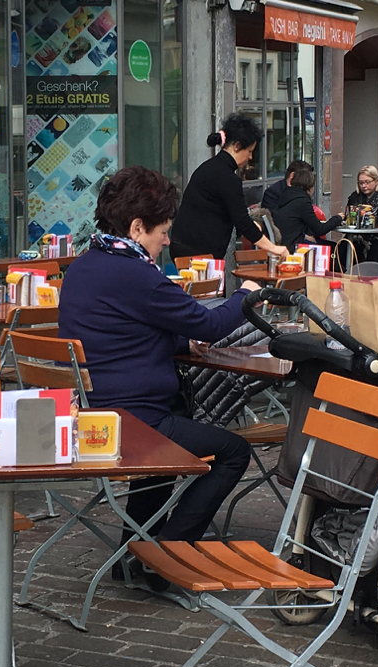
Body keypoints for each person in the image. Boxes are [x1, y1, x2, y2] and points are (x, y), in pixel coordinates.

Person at [59, 167, 262, 569]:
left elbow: (120, 333)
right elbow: (209, 324)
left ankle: (133, 556)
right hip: (134, 421)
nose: (167, 240)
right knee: (234, 452)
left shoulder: (83, 266)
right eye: (163, 231)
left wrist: (179, 342)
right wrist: (246, 295)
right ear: (137, 228)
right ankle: (165, 555)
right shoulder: (136, 274)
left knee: (167, 449)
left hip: (95, 416)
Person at [171, 114, 288, 264]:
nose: (250, 157)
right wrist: (274, 248)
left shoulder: (210, 167)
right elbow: (243, 223)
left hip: (185, 245)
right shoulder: (227, 178)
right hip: (197, 251)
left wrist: (252, 225)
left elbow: (230, 213)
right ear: (237, 146)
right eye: (249, 151)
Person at [266, 162, 341, 248]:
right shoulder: (302, 201)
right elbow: (319, 229)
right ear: (309, 187)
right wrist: (338, 218)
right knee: (337, 249)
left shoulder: (287, 194)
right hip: (293, 246)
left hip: (287, 241)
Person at [344, 164, 378, 264]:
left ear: (376, 181)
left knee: (375, 258)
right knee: (342, 251)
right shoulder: (355, 196)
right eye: (361, 183)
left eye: (367, 182)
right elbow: (348, 215)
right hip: (357, 237)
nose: (364, 186)